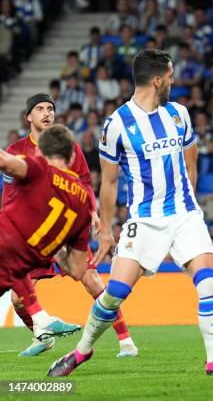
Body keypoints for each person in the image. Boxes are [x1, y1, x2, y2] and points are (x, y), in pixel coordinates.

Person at [47, 49, 213, 377]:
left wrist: (187, 207)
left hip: (184, 214)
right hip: (143, 220)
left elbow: (191, 163)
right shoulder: (116, 125)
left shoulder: (179, 114)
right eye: (170, 75)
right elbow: (108, 183)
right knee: (115, 295)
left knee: (208, 281)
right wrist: (106, 230)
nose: (173, 80)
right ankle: (80, 353)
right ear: (157, 79)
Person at [1, 94, 136, 358]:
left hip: (54, 231)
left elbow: (85, 181)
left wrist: (93, 212)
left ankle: (126, 340)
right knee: (17, 299)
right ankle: (42, 334)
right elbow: (10, 192)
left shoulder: (64, 150)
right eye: (39, 109)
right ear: (29, 116)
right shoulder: (18, 149)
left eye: (50, 109)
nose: (46, 113)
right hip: (36, 232)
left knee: (92, 281)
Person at [0, 126, 92, 299]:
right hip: (12, 271)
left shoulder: (41, 169)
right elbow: (78, 271)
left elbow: (5, 162)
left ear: (39, 151)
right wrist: (57, 252)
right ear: (72, 157)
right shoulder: (84, 205)